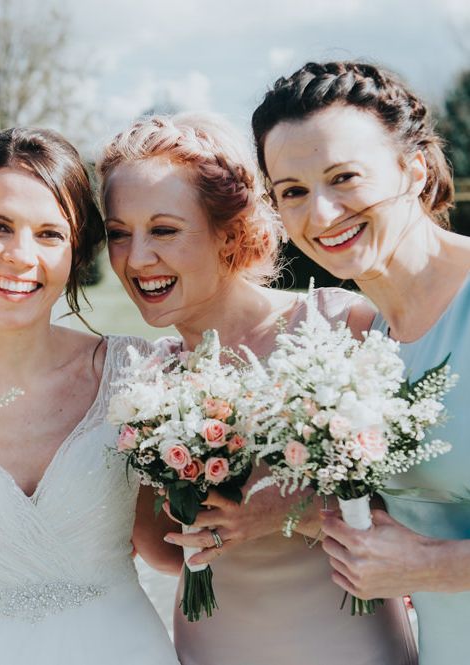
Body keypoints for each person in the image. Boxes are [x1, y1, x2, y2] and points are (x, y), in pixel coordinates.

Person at [96, 113, 416, 664]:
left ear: (231, 232)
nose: (137, 258)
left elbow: (420, 509)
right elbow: (156, 545)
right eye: (119, 233)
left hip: (348, 643)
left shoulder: (342, 327)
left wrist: (278, 516)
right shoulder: (145, 378)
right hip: (215, 644)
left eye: (165, 230)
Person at [0, 127, 180, 665]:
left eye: (50, 234)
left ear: (76, 253)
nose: (20, 255)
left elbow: (162, 542)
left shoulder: (136, 375)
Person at [252, 60, 470, 664]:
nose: (320, 215)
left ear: (415, 168)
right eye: (292, 191)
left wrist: (433, 566)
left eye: (343, 177)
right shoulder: (367, 344)